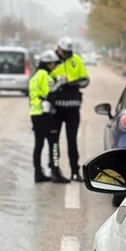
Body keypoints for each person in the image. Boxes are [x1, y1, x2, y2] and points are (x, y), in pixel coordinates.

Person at [50, 36, 89, 182]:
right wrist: (57, 83)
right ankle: (54, 170)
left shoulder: (76, 59)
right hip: (56, 109)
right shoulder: (51, 61)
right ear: (58, 48)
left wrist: (74, 83)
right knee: (54, 141)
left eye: (68, 51)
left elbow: (85, 79)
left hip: (73, 108)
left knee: (72, 141)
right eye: (64, 51)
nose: (66, 54)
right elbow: (44, 80)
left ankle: (74, 171)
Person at [30, 49, 70, 184]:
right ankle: (55, 172)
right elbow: (50, 94)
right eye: (54, 63)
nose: (56, 66)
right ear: (49, 63)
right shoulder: (45, 76)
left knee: (38, 145)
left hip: (35, 113)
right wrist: (60, 82)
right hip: (45, 115)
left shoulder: (35, 76)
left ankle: (38, 173)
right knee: (53, 143)